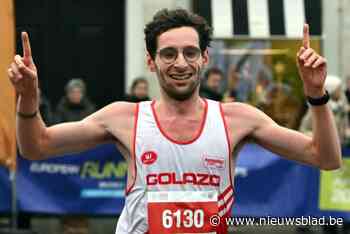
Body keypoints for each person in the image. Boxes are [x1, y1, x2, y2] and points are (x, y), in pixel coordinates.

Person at [8, 8, 342, 234]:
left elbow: (325, 157)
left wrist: (316, 94)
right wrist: (28, 98)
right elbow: (37, 147)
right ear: (152, 62)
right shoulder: (124, 118)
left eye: (190, 52)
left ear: (204, 58)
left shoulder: (237, 118)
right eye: (168, 54)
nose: (180, 63)